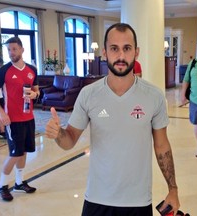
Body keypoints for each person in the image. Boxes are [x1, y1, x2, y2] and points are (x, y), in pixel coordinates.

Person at [45, 23, 180, 216]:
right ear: (105, 52)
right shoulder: (89, 94)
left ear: (136, 52)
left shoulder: (154, 96)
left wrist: (173, 189)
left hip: (138, 200)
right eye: (114, 49)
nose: (121, 56)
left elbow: (162, 146)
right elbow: (70, 140)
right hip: (97, 198)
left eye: (127, 48)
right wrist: (59, 134)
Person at [0, 37, 40, 202]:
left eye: (14, 49)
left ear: (22, 49)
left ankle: (19, 183)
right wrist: (2, 114)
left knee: (24, 151)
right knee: (15, 153)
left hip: (29, 117)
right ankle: (1, 186)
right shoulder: (3, 71)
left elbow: (36, 91)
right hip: (13, 120)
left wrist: (35, 94)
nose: (11, 52)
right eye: (9, 50)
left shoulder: (32, 69)